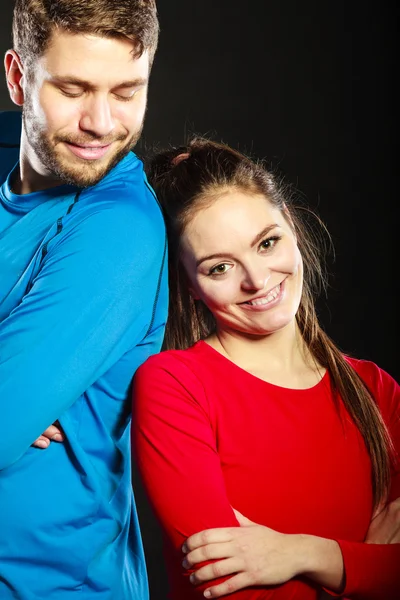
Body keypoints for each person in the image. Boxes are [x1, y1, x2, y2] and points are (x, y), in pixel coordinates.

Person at [132, 138, 400, 599]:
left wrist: (301, 554)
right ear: (190, 284)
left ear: (291, 227)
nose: (256, 280)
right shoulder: (174, 386)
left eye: (267, 243)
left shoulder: (376, 389)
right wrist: (361, 567)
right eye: (219, 268)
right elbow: (224, 584)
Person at [0, 1, 167, 599]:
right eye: (72, 90)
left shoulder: (117, 229)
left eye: (126, 91)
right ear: (19, 78)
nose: (101, 123)